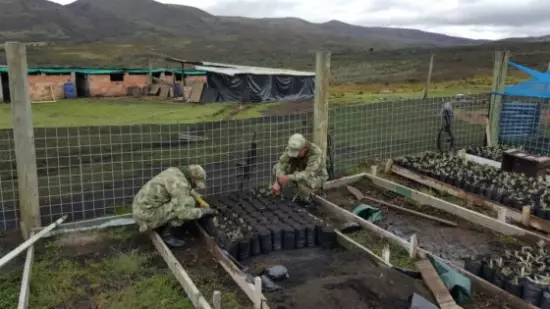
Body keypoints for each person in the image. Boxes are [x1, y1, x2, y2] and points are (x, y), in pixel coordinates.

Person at [132, 165, 217, 248]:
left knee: (185, 199)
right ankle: (168, 234)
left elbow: (188, 189)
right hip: (147, 216)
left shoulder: (176, 172)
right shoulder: (180, 185)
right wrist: (203, 212)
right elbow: (183, 214)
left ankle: (163, 223)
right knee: (188, 203)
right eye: (196, 183)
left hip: (140, 208)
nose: (196, 186)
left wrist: (200, 200)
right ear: (192, 178)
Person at [272, 133, 329, 203]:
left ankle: (309, 200)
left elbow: (307, 174)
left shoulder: (315, 153)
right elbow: (282, 164)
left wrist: (288, 177)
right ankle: (278, 194)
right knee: (276, 167)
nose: (294, 155)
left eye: (296, 152)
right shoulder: (291, 148)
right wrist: (277, 181)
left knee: (301, 181)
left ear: (304, 148)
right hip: (299, 171)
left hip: (315, 177)